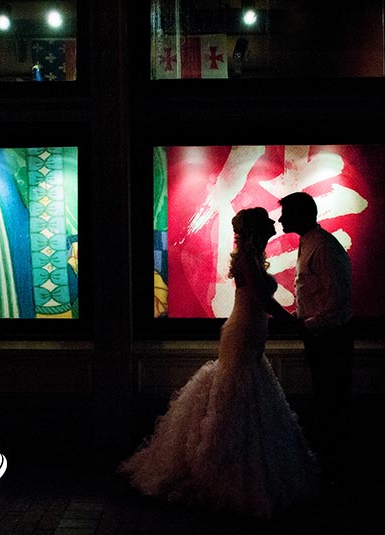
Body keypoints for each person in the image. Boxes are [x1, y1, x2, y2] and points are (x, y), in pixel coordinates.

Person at [118, 207, 320, 519]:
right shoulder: (247, 260)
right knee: (238, 386)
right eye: (267, 220)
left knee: (244, 385)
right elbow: (263, 300)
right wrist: (295, 323)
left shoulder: (250, 259)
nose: (273, 222)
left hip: (250, 330)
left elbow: (261, 302)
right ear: (256, 229)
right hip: (244, 331)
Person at [278, 192, 354, 488]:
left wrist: (306, 325)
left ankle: (335, 473)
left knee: (332, 403)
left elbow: (339, 303)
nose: (281, 219)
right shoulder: (309, 242)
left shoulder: (322, 247)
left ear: (300, 215)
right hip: (320, 336)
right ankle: (329, 470)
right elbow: (313, 293)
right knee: (326, 401)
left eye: (286, 214)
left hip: (330, 339)